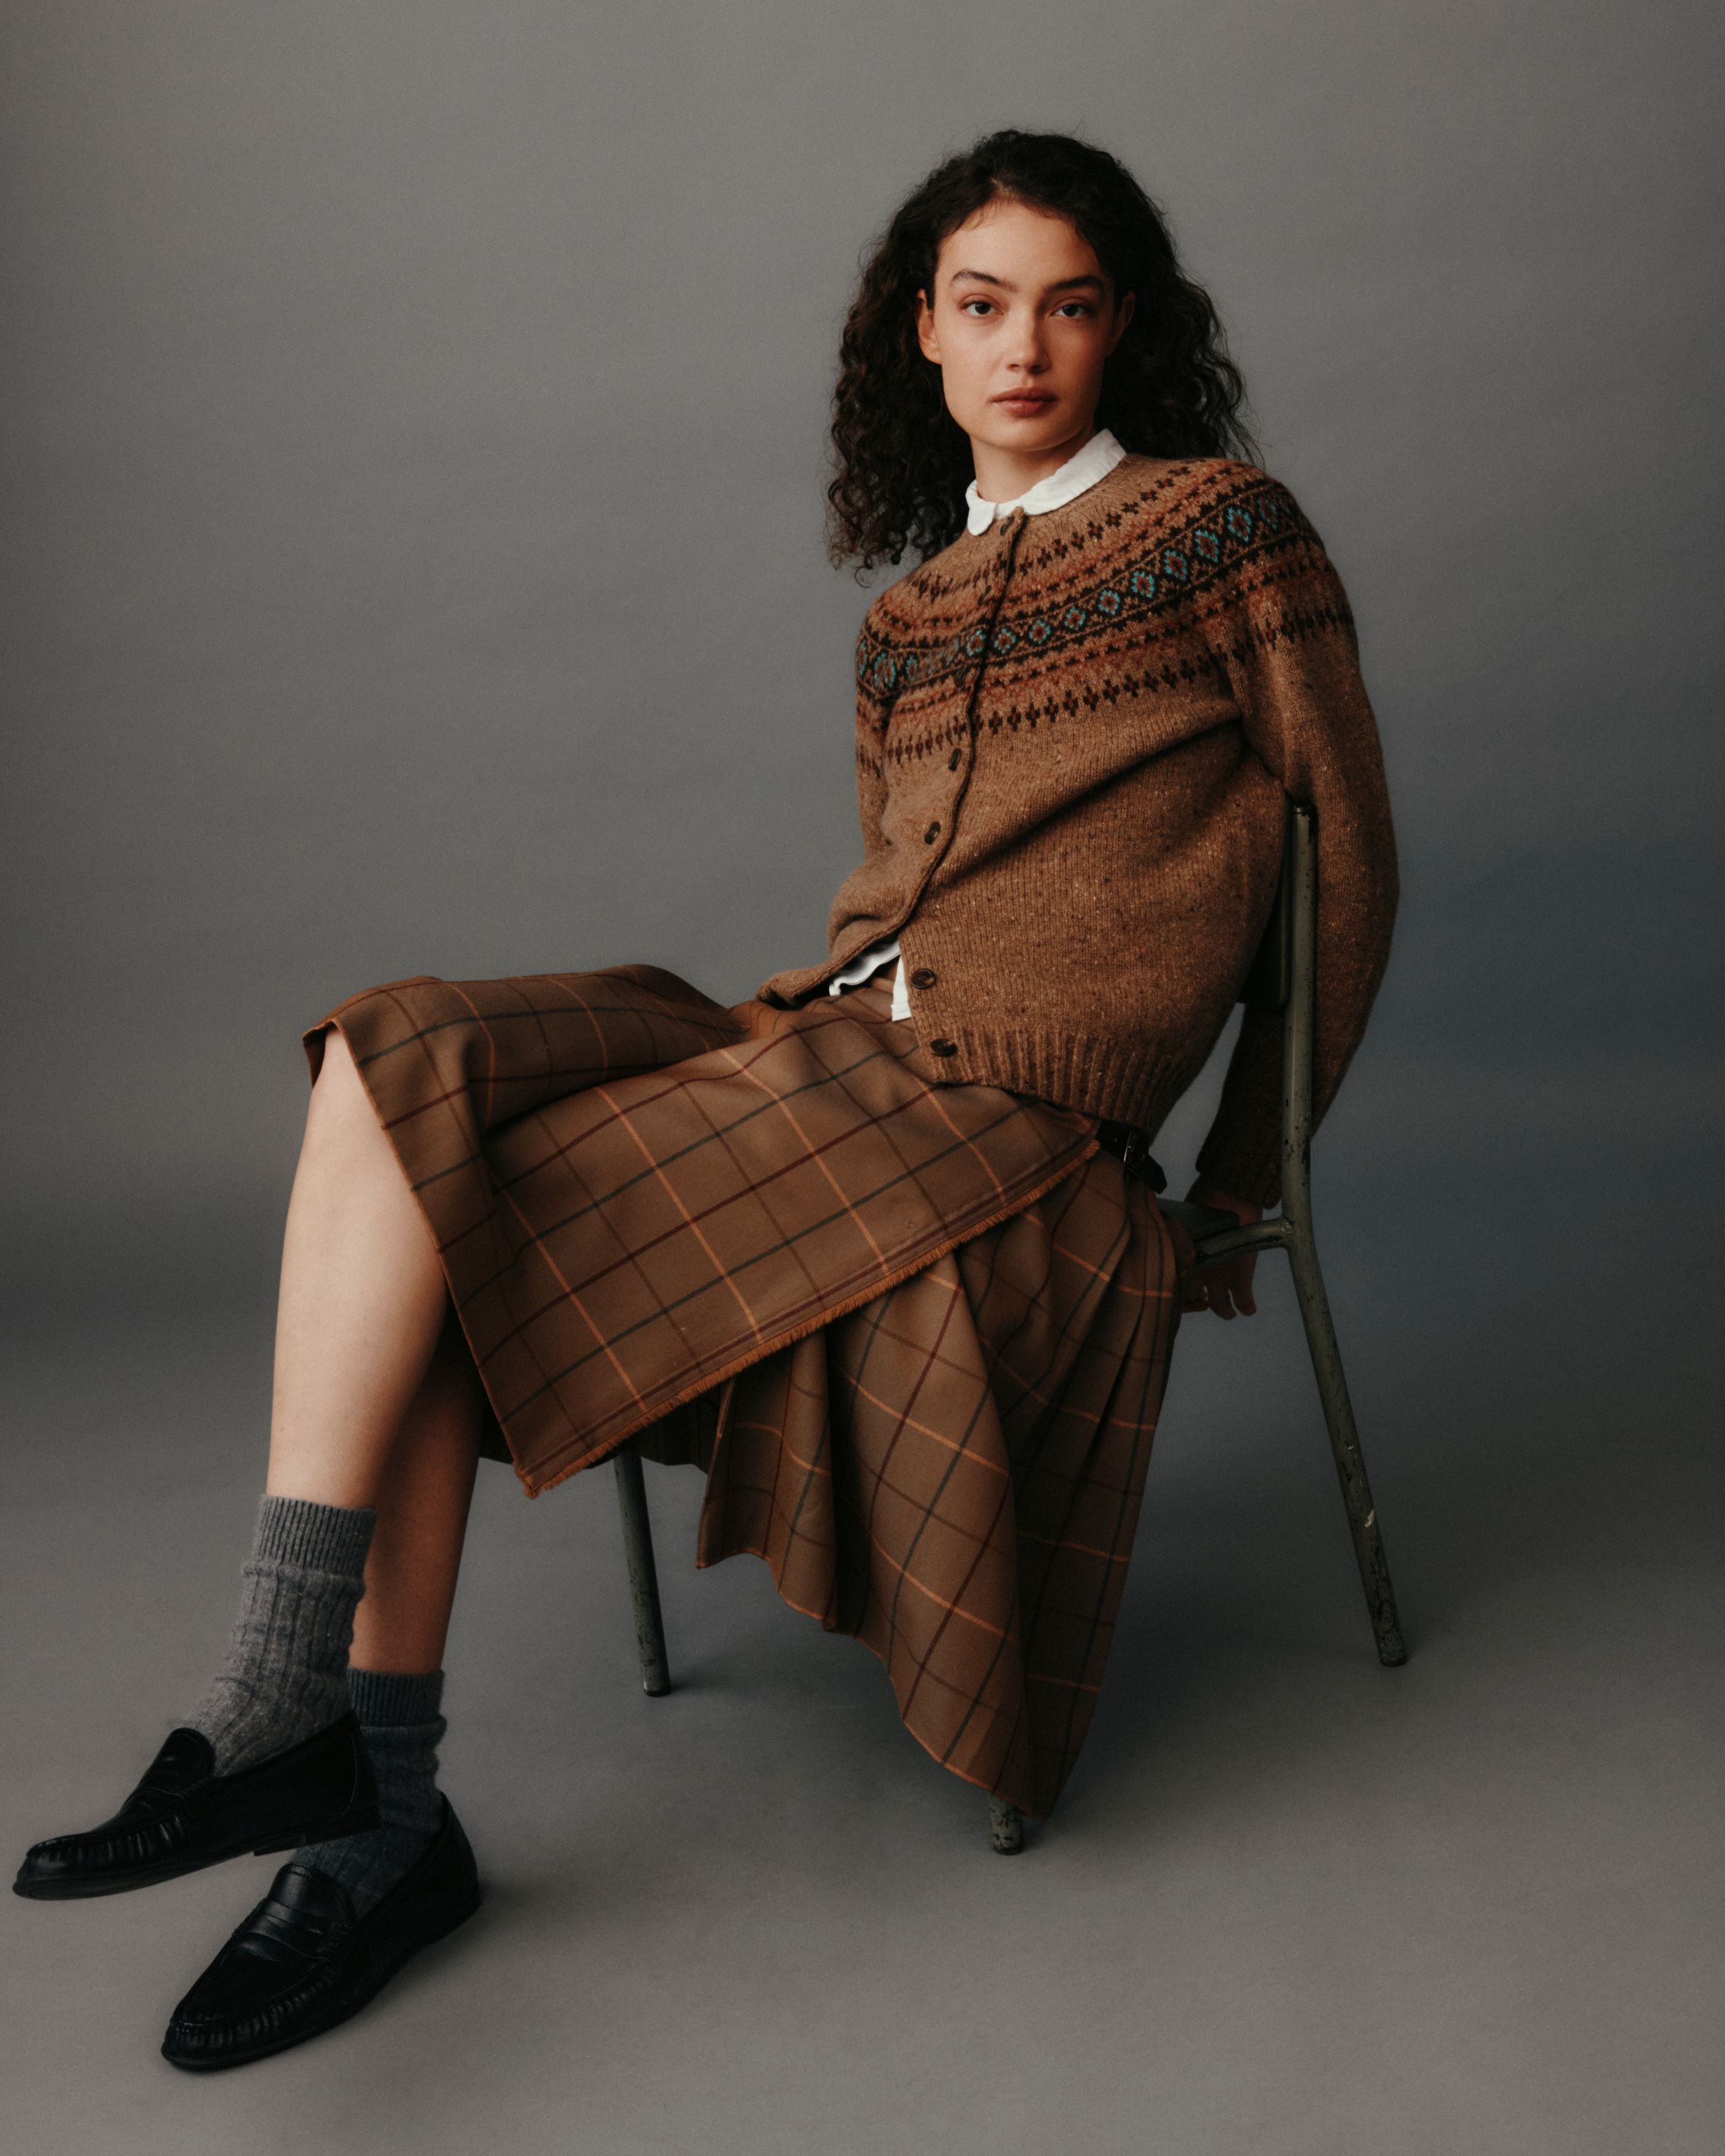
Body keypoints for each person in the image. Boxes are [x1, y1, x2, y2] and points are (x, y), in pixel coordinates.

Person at [12, 127, 1397, 2069]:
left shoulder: (1226, 533)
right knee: (399, 1069)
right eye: (983, 307)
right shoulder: (905, 626)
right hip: (813, 1043)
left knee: (453, 1186)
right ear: (920, 334)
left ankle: (372, 1815)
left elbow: (1350, 854)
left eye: (1069, 308)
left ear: (1123, 330)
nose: (1024, 349)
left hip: (1009, 1109)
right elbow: (888, 902)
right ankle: (301, 1722)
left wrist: (1250, 1175)